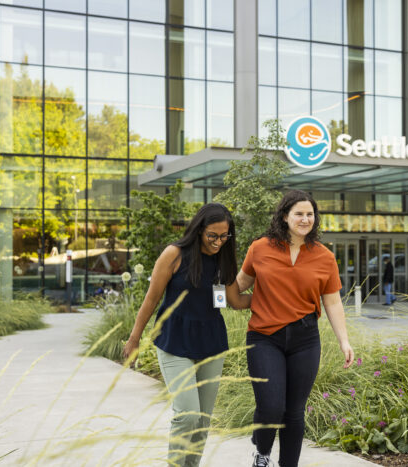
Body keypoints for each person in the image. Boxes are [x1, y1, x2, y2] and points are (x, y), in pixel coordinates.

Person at [122, 203, 251, 467]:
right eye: (212, 236)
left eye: (224, 236)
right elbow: (151, 299)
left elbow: (235, 301)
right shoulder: (175, 254)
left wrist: (278, 293)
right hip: (174, 340)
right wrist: (134, 339)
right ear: (199, 229)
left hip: (211, 342)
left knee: (203, 419)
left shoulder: (223, 258)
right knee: (188, 415)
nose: (218, 242)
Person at [236, 190, 354, 467]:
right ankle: (262, 452)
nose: (305, 219)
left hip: (305, 339)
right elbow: (238, 285)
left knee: (294, 412)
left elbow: (333, 302)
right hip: (264, 337)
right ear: (285, 216)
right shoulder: (260, 248)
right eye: (299, 213)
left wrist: (344, 341)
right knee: (271, 405)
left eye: (310, 214)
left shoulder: (324, 256)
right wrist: (209, 291)